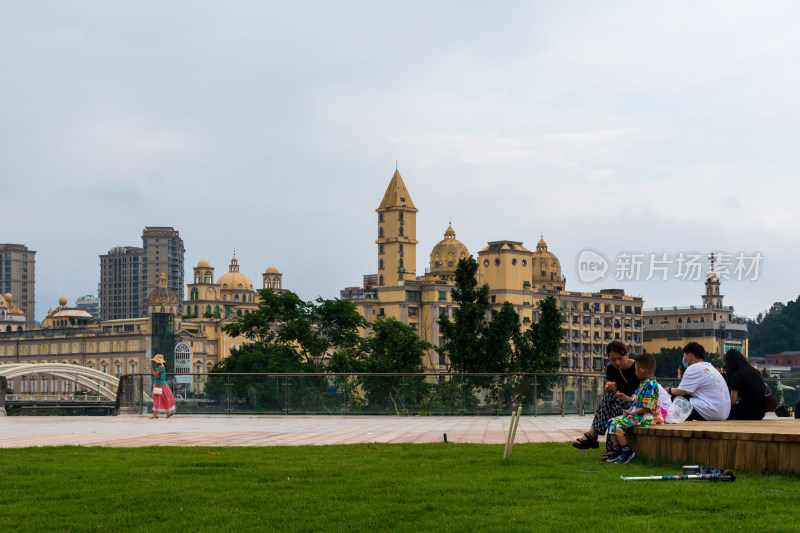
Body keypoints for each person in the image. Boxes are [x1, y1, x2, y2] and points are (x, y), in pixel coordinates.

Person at [572, 341, 641, 460]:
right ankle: (610, 447)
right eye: (613, 360)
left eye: (620, 358)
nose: (617, 362)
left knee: (613, 401)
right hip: (621, 404)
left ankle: (593, 435)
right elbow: (611, 387)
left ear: (627, 355)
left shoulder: (638, 367)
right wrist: (609, 388)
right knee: (611, 399)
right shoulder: (611, 369)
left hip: (637, 405)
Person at [605, 353, 659, 464]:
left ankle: (627, 451)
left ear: (641, 370)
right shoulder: (643, 384)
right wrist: (627, 398)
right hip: (637, 415)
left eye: (635, 370)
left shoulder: (651, 386)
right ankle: (617, 450)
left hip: (643, 418)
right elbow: (639, 402)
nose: (634, 372)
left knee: (617, 425)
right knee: (611, 422)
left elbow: (646, 409)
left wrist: (631, 412)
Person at [666, 342, 730, 421]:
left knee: (676, 398)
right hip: (723, 412)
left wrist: (668, 390)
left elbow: (680, 392)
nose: (683, 360)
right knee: (684, 398)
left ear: (689, 356)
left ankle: (682, 424)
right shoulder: (709, 367)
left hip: (713, 411)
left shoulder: (693, 368)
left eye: (684, 356)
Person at [723, 349, 766, 420]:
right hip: (760, 412)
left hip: (747, 412)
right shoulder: (755, 372)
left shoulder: (737, 376)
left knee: (721, 413)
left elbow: (733, 401)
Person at [150, 353, 176, 419]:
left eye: (155, 361)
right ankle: (168, 412)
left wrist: (152, 369)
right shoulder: (162, 367)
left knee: (156, 399)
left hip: (158, 385)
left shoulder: (160, 368)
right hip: (164, 385)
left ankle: (155, 414)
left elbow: (156, 375)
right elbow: (158, 375)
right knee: (164, 399)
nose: (155, 362)